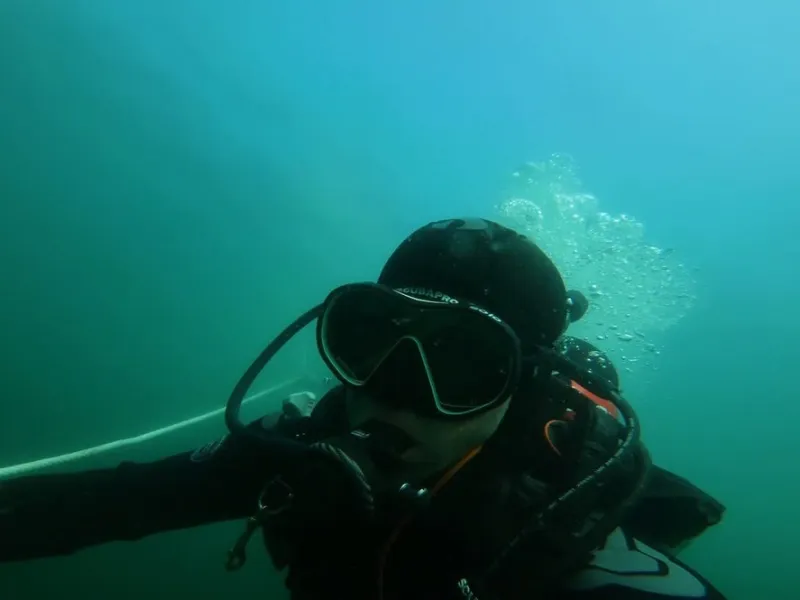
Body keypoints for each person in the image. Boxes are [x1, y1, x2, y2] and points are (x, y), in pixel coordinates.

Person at [0, 218, 727, 600]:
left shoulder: (564, 534)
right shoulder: (305, 454)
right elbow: (110, 502)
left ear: (520, 390)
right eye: (375, 340)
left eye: (464, 365)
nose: (395, 391)